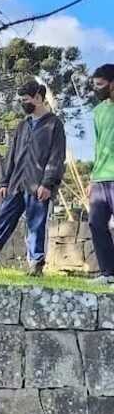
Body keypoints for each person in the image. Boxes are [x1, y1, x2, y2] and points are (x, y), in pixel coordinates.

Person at [0, 81, 66, 275]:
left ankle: (36, 265)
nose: (23, 103)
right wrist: (4, 182)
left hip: (38, 186)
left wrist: (47, 183)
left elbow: (57, 157)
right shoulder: (22, 126)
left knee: (36, 224)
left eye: (25, 99)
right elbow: (11, 156)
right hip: (16, 184)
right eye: (21, 100)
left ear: (38, 97)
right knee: (3, 221)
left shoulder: (54, 124)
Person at [88, 64, 114, 283]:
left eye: (100, 85)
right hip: (100, 179)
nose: (96, 89)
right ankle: (108, 273)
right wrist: (91, 178)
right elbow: (98, 145)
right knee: (96, 224)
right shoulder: (98, 111)